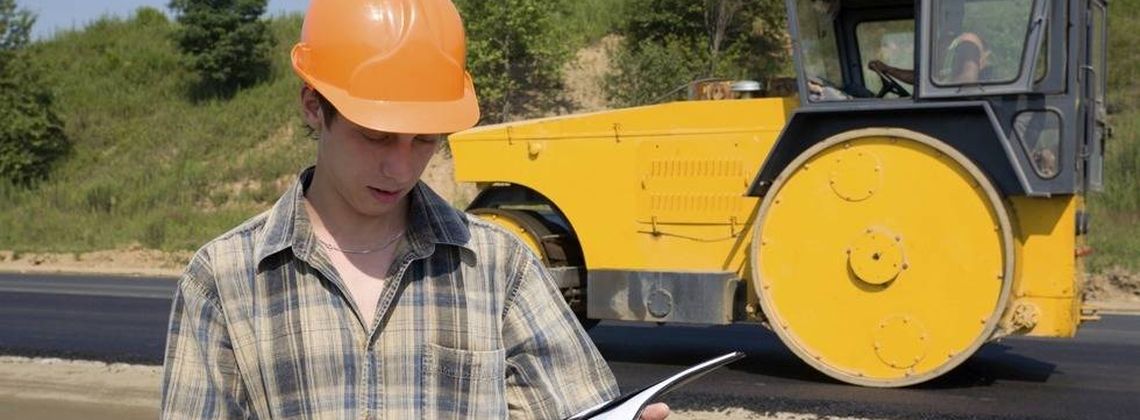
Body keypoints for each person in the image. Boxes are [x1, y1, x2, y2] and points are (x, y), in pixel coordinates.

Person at [159, 1, 670, 418]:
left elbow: (577, 408)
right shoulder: (225, 281)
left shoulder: (499, 268)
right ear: (314, 106)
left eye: (425, 139)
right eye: (376, 137)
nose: (401, 169)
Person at [868, 32, 991, 86]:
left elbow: (968, 81)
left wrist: (943, 89)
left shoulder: (967, 42)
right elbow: (920, 79)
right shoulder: (944, 68)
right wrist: (888, 70)